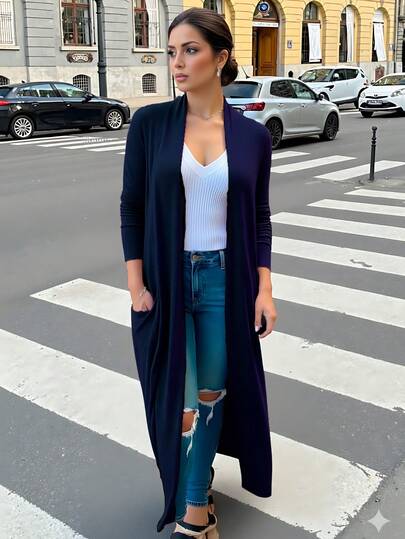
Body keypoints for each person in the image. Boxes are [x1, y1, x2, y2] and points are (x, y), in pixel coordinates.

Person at [120, 7, 277, 537]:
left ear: (220, 57)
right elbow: (132, 206)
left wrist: (264, 288)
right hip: (166, 283)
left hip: (224, 282)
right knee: (182, 405)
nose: (178, 63)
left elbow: (259, 217)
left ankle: (194, 507)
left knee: (211, 395)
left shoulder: (252, 137)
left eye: (190, 50)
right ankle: (195, 501)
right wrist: (136, 285)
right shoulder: (150, 125)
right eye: (172, 52)